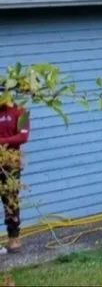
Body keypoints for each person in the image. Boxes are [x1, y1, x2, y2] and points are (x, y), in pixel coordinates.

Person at [0, 104, 29, 254]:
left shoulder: (21, 111)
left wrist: (1, 141)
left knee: (10, 199)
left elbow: (22, 137)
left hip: (11, 162)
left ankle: (13, 238)